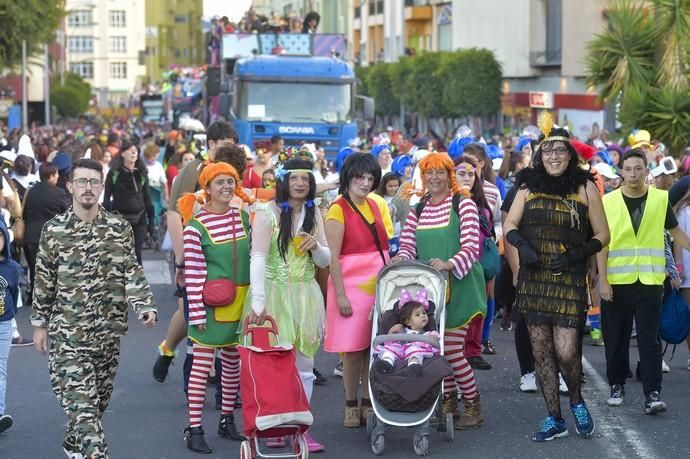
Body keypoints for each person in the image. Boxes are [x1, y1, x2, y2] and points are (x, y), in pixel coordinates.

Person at [31, 158, 157, 459]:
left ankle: (74, 447)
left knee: (95, 406)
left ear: (102, 187)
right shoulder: (55, 230)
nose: (88, 188)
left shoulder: (118, 228)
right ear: (70, 186)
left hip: (107, 334)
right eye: (82, 182)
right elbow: (44, 279)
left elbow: (131, 271)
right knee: (85, 413)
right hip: (68, 337)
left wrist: (144, 305)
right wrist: (39, 323)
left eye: (93, 182)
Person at [504, 117, 609, 441]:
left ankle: (576, 400)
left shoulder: (585, 186)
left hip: (568, 280)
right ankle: (555, 418)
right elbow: (509, 225)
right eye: (547, 151)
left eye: (559, 151)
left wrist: (577, 255)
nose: (553, 156)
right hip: (534, 281)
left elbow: (604, 234)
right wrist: (523, 247)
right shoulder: (526, 185)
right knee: (542, 354)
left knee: (566, 351)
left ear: (570, 155)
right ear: (540, 155)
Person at [394, 152, 487, 430]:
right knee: (437, 348)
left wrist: (449, 263)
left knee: (452, 351)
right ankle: (449, 403)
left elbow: (472, 246)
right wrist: (400, 257)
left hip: (461, 286)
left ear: (450, 176)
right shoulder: (419, 208)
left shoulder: (464, 204)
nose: (434, 178)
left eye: (440, 172)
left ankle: (473, 404)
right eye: (428, 173)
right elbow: (408, 244)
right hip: (431, 288)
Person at [247, 158, 331, 452]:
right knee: (275, 364)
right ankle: (274, 425)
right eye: (294, 178)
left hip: (306, 295)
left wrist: (316, 247)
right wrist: (258, 304)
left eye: (305, 180)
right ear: (283, 182)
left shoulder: (314, 214)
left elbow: (325, 260)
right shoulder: (265, 213)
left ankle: (301, 429)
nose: (299, 184)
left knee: (305, 364)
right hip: (273, 295)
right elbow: (257, 258)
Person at [598, 149, 690, 414]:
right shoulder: (609, 201)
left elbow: (678, 234)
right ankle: (617, 385)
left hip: (650, 281)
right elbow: (602, 244)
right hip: (617, 281)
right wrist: (602, 280)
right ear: (621, 172)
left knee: (650, 340)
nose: (634, 174)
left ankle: (653, 393)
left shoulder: (661, 200)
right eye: (628, 169)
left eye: (639, 169)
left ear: (647, 171)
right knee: (616, 337)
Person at [177, 162, 254, 453]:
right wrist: (196, 313)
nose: (226, 187)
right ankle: (194, 427)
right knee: (201, 364)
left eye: (230, 182)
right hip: (210, 306)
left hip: (242, 303)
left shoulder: (245, 218)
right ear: (206, 189)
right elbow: (194, 274)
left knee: (233, 361)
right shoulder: (195, 228)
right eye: (219, 182)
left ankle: (226, 419)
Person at [152, 121, 237, 384]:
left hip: (221, 252)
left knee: (219, 306)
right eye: (224, 145)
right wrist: (182, 259)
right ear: (210, 144)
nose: (228, 151)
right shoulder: (194, 170)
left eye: (232, 146)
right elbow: (175, 215)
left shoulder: (231, 170)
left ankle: (212, 368)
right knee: (189, 309)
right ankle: (169, 351)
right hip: (191, 249)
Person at [324, 153, 393, 428]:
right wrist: (340, 294)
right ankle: (351, 404)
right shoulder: (337, 209)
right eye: (360, 177)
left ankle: (367, 402)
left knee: (371, 348)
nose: (365, 183)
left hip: (377, 285)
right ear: (348, 178)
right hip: (349, 287)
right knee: (352, 350)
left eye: (370, 178)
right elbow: (332, 257)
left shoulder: (375, 205)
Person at [22, 162, 69, 307]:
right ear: (51, 175)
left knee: (34, 268)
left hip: (31, 235)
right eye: (56, 174)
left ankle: (33, 297)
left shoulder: (30, 191)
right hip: (51, 236)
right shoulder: (59, 193)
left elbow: (24, 214)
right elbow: (66, 214)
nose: (58, 177)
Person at [103, 141, 155, 265]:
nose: (133, 153)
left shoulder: (142, 173)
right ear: (122, 154)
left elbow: (148, 198)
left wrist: (151, 222)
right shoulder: (114, 173)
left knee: (137, 253)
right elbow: (106, 198)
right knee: (121, 254)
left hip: (140, 218)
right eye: (130, 150)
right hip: (120, 219)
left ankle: (138, 282)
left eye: (136, 151)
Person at [372, 288, 440, 376]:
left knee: (416, 352)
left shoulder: (427, 334)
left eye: (424, 313)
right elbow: (389, 341)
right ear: (408, 321)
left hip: (415, 351)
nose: (423, 316)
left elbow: (435, 338)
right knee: (391, 349)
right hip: (399, 351)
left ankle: (413, 367)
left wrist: (434, 337)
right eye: (417, 315)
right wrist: (391, 331)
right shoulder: (402, 331)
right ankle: (386, 363)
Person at [0, 220, 21, 435]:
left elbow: (14, 296)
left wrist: (9, 316)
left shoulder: (12, 268)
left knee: (0, 371)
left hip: (3, 325)